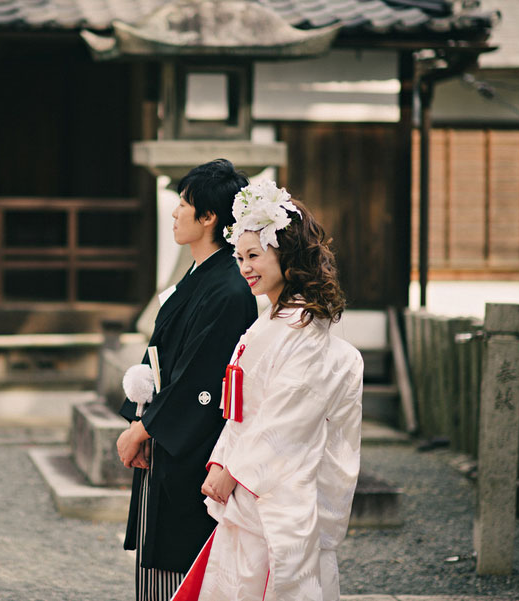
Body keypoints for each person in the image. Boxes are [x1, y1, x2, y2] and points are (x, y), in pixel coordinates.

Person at [170, 182, 364, 601]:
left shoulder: (306, 330)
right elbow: (239, 410)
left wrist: (233, 470)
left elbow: (287, 417)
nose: (245, 267)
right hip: (250, 480)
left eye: (254, 256)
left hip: (277, 490)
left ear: (287, 255)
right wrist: (222, 460)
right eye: (239, 257)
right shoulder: (269, 322)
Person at [116, 159, 259, 601]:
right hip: (168, 442)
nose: (175, 212)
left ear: (208, 217)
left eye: (183, 203)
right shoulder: (203, 276)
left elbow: (203, 377)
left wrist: (146, 426)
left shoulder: (230, 288)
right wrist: (141, 419)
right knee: (160, 566)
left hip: (193, 449)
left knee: (185, 567)